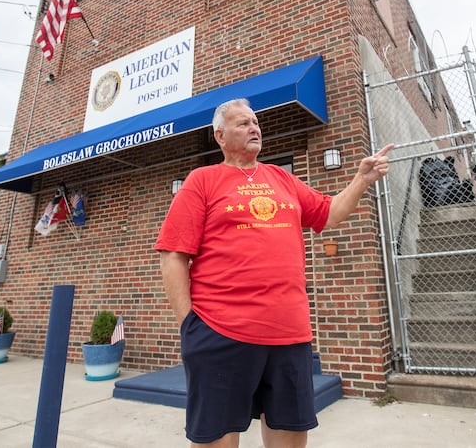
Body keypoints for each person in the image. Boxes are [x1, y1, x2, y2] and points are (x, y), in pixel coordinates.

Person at [155, 98, 393, 447]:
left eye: (255, 122)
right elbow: (173, 255)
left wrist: (361, 179)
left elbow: (328, 214)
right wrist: (188, 325)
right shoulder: (203, 180)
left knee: (291, 436)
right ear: (220, 136)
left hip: (289, 334)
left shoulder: (282, 178)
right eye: (243, 124)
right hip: (221, 332)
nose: (255, 128)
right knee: (216, 439)